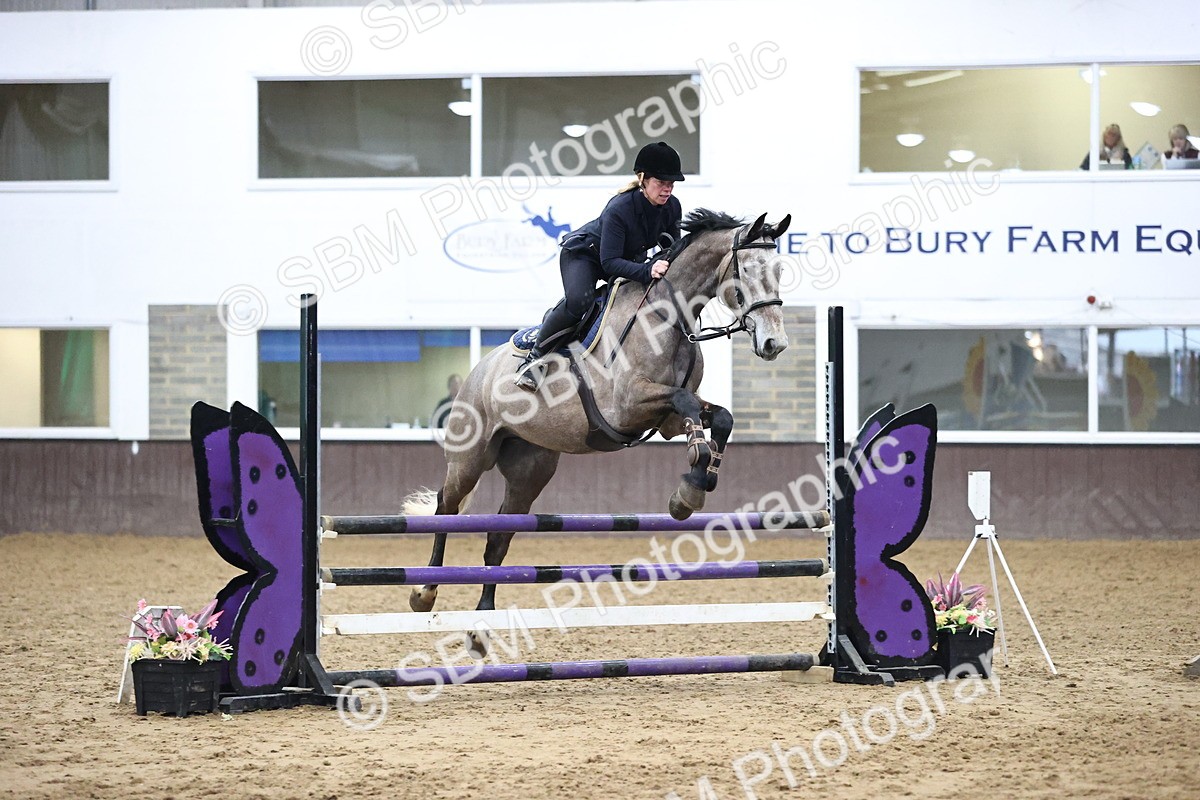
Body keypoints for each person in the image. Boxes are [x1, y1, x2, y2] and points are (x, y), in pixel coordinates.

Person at [514, 141, 685, 391]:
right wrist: (648, 270)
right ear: (643, 179)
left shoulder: (672, 207)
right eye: (661, 183)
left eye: (671, 184)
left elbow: (673, 249)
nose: (667, 189)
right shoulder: (619, 209)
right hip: (585, 256)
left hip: (623, 261)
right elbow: (610, 262)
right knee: (579, 302)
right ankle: (534, 358)